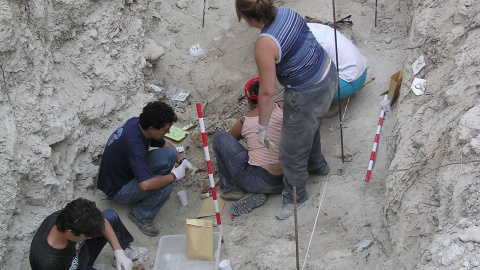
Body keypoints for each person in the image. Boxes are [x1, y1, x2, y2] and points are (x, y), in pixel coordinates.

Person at [235, 0, 338, 220]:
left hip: (307, 92)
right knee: (310, 126)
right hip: (328, 73)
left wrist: (262, 128)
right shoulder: (287, 13)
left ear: (246, 17)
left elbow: (267, 93)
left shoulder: (264, 44)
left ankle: (296, 197)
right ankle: (317, 165)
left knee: (290, 152)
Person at [97, 101, 195, 236]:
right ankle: (141, 215)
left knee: (171, 154)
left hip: (124, 171)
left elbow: (165, 145)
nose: (168, 132)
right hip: (117, 188)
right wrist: (173, 176)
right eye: (165, 130)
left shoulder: (138, 123)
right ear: (152, 128)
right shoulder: (134, 147)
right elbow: (146, 184)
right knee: (164, 187)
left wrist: (181, 160)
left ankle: (150, 193)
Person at [213, 77, 284, 216]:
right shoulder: (282, 107)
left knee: (220, 138)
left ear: (250, 101)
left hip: (259, 180)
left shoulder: (245, 121)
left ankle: (231, 190)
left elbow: (229, 140)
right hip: (288, 176)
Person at [29, 198, 148, 270]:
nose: (90, 237)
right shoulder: (49, 263)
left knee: (110, 216)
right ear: (70, 233)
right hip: (76, 266)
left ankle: (123, 253)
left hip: (82, 254)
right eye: (87, 236)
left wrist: (119, 251)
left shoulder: (66, 217)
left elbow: (102, 221)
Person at [307, 22, 368, 100]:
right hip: (362, 69)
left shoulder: (311, 44)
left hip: (350, 81)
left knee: (304, 84)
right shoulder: (311, 27)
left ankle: (325, 103)